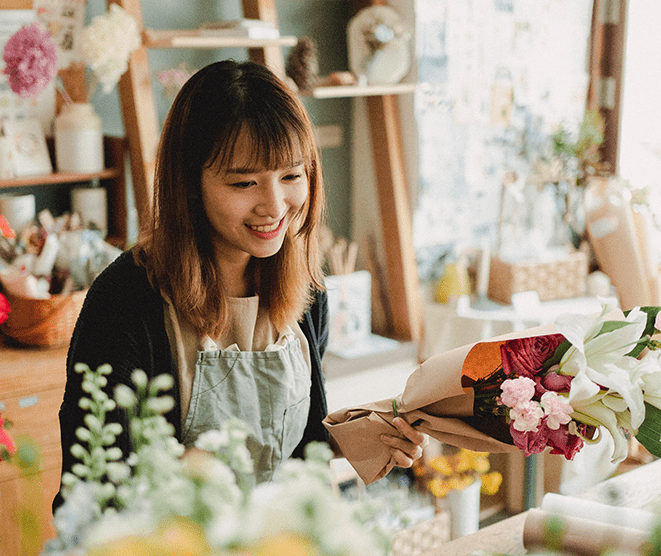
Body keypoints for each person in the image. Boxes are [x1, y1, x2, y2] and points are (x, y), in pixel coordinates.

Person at [55, 60, 423, 505]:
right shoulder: (127, 303)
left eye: (291, 176)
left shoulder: (308, 294)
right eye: (245, 182)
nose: (274, 206)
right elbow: (91, 494)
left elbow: (294, 452)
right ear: (190, 182)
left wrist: (360, 435)